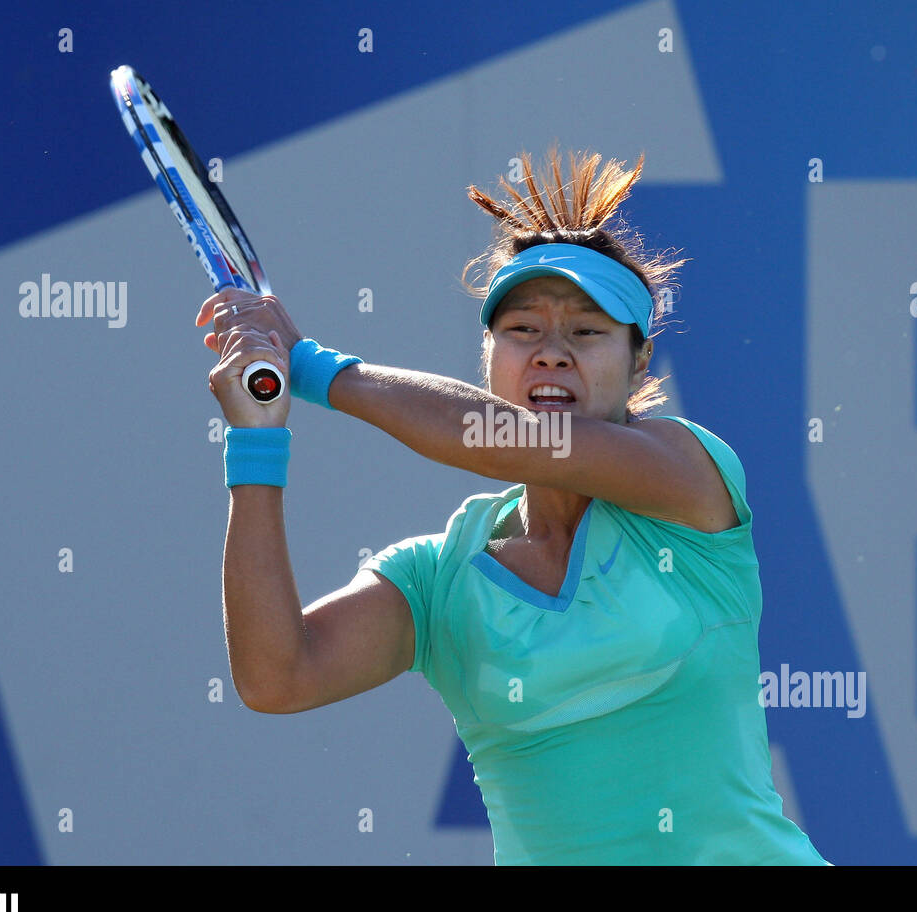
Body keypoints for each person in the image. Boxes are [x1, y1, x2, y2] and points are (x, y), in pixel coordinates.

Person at [197, 145, 829, 865]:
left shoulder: (688, 478)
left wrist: (310, 367)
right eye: (523, 329)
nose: (552, 352)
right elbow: (276, 677)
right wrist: (256, 443)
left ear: (639, 364)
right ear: (489, 356)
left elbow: (490, 437)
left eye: (586, 331)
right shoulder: (439, 577)